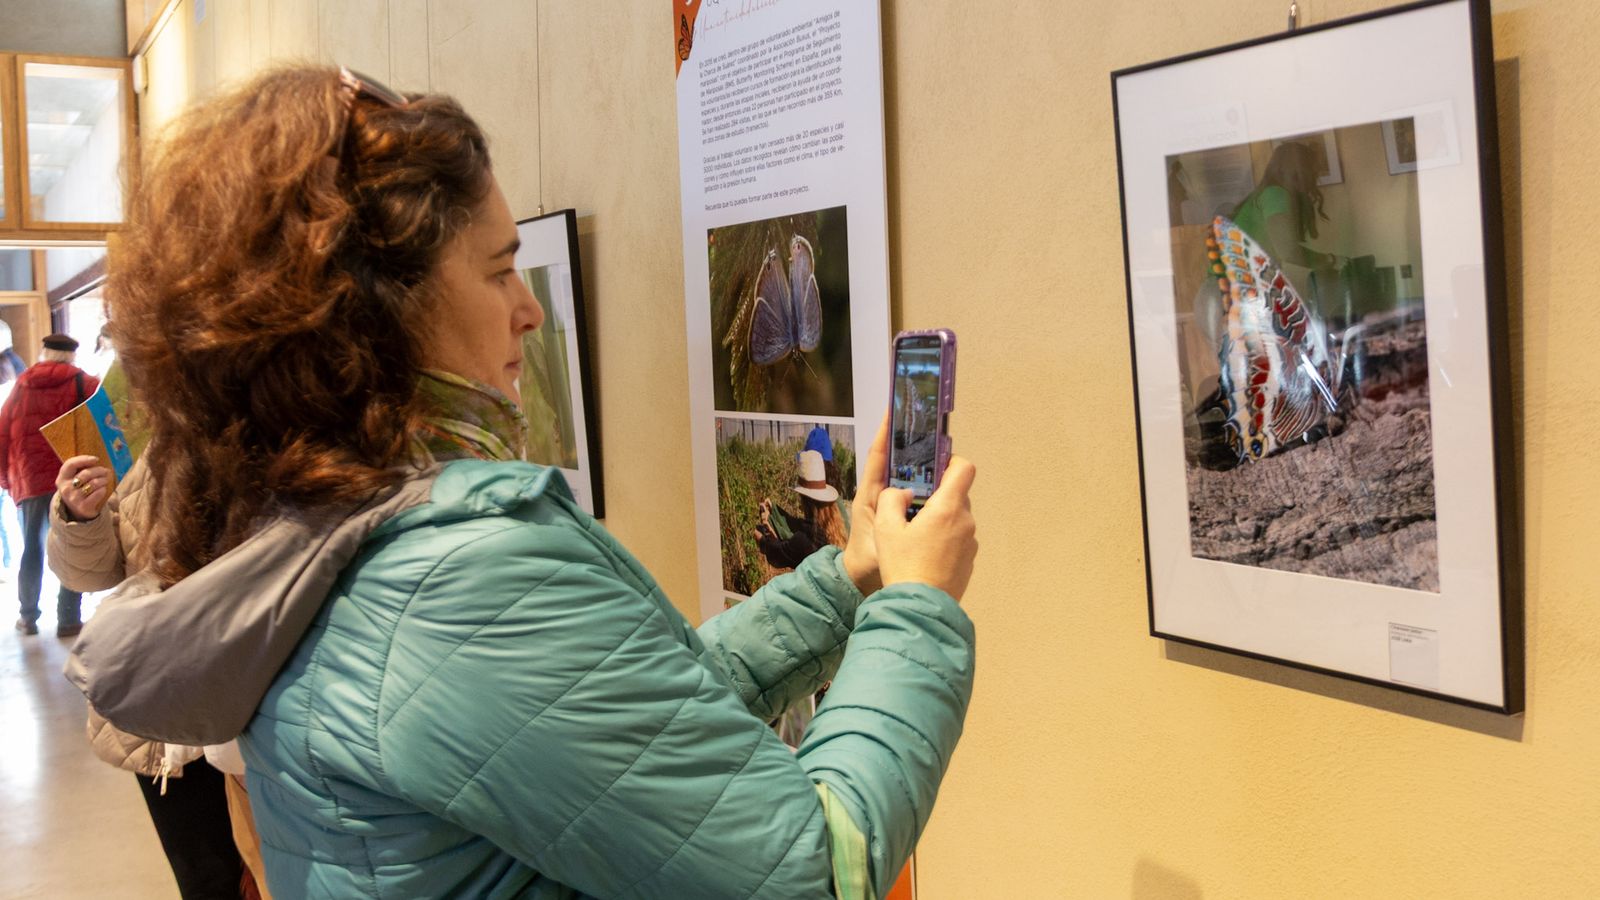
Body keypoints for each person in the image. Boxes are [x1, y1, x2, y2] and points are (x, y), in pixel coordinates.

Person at [67, 65, 980, 900]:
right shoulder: (455, 579)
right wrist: (920, 607)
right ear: (379, 307)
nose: (530, 308)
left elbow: (634, 730)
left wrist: (848, 579)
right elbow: (817, 871)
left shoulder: (314, 526)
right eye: (501, 268)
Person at [52, 451, 267, 899]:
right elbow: (88, 573)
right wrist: (80, 516)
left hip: (261, 702)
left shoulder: (276, 428)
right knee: (208, 878)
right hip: (167, 711)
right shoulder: (144, 449)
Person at [0, 333, 97, 636]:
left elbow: (2, 433)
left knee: (32, 547)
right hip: (72, 478)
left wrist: (6, 478)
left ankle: (28, 616)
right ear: (71, 356)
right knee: (72, 546)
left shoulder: (21, 386)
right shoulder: (85, 384)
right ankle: (68, 619)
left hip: (30, 481)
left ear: (44, 353)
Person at [756, 448, 849, 570]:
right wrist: (775, 511)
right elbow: (798, 525)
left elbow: (778, 553)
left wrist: (762, 536)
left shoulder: (805, 540)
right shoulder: (836, 527)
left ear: (804, 499)